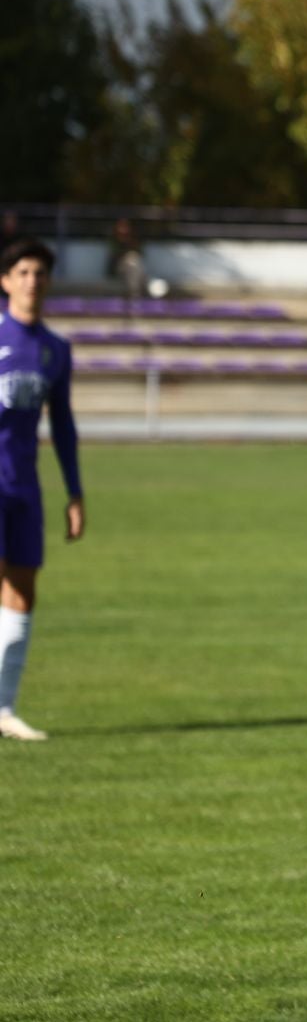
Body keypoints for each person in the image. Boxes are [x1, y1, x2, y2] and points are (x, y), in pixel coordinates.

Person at [0, 239, 85, 741]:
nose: (33, 281)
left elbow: (64, 426)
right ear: (6, 281)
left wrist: (75, 492)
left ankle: (4, 708)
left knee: (22, 594)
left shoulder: (56, 349)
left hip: (25, 488)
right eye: (23, 272)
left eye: (40, 273)